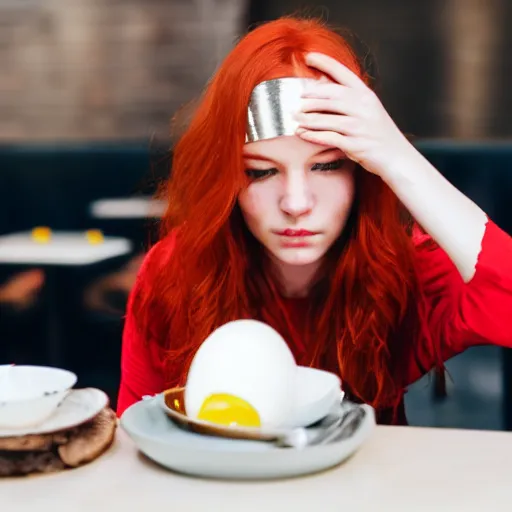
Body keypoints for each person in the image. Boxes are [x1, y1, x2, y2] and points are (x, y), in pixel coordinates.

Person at [117, 17, 512, 424]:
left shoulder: (409, 272)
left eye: (325, 167)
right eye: (260, 171)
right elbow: (136, 437)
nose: (296, 202)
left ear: (363, 173)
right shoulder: (176, 272)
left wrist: (398, 157)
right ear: (227, 181)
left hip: (369, 488)